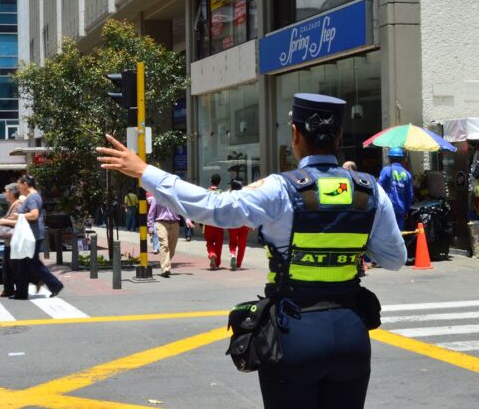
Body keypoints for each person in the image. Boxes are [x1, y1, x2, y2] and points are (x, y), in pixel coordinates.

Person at [97, 92, 407, 409]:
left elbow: (212, 207)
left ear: (295, 134)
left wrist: (145, 172)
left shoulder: (281, 188)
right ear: (339, 136)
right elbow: (395, 259)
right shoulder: (369, 189)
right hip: (351, 333)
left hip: (293, 333)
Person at [5, 174, 63, 299]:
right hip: (32, 235)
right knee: (25, 264)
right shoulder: (32, 196)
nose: (18, 187)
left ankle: (55, 284)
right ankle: (22, 292)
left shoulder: (32, 198)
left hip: (32, 236)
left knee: (31, 264)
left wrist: (19, 216)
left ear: (25, 184)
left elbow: (34, 214)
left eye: (19, 184)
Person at [147, 194, 192, 278]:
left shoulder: (175, 198)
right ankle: (165, 269)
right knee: (164, 245)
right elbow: (151, 212)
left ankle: (165, 263)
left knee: (172, 249)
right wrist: (150, 226)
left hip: (175, 223)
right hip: (161, 223)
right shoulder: (157, 197)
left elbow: (182, 210)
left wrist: (187, 219)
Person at [378, 147, 414, 231]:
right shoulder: (407, 174)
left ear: (390, 158)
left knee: (386, 234)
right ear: (402, 159)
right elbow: (410, 195)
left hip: (387, 209)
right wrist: (406, 209)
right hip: (401, 209)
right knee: (398, 234)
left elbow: (378, 188)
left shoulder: (386, 170)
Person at [0, 183, 23, 297]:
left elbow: (21, 222)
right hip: (10, 241)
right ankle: (8, 290)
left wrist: (4, 221)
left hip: (14, 241)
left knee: (14, 268)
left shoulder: (18, 205)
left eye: (6, 191)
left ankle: (17, 291)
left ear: (12, 193)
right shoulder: (13, 205)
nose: (4, 194)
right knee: (7, 267)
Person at [226, 179, 249, 271]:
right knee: (242, 245)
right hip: (244, 224)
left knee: (232, 242)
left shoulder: (229, 197)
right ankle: (239, 263)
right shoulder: (245, 198)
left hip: (232, 224)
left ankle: (232, 254)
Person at [203, 174, 225, 269]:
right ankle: (217, 263)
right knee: (219, 243)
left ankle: (212, 253)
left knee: (209, 241)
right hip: (219, 222)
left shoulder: (206, 192)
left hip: (208, 222)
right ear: (219, 182)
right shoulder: (222, 193)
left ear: (211, 181)